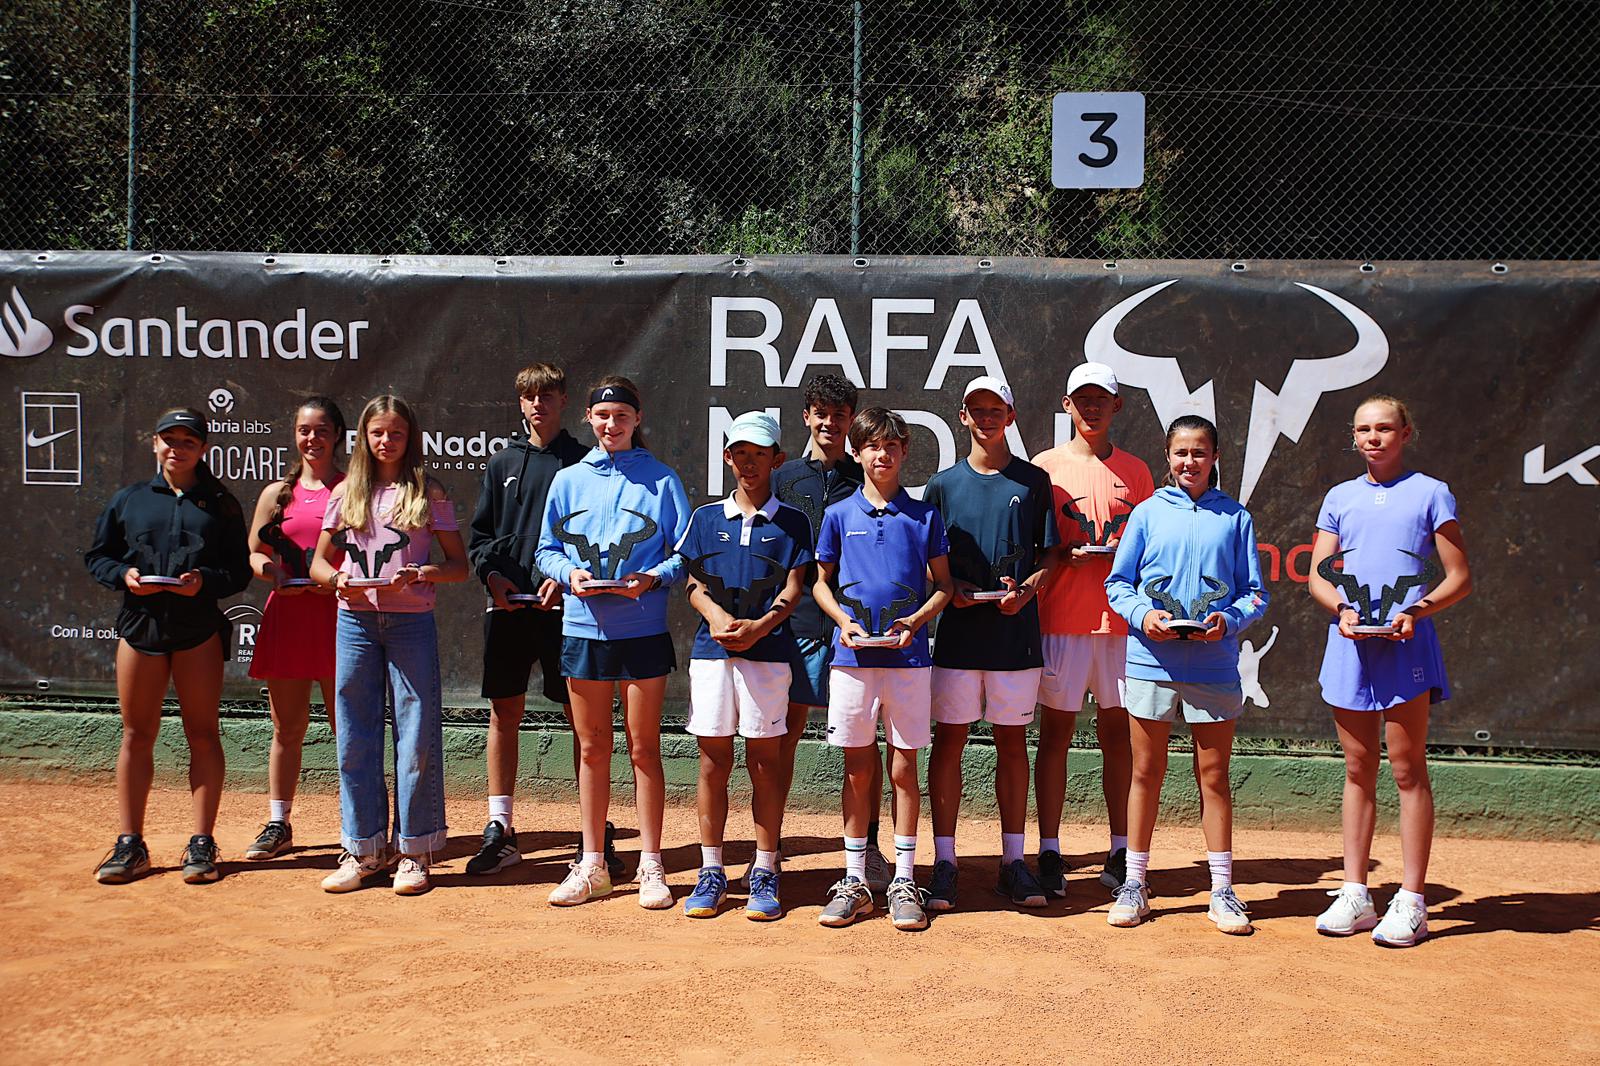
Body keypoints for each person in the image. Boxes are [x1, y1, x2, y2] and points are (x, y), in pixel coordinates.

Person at [1308, 395, 1471, 947]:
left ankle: (1413, 900)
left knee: (1406, 768)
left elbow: (1458, 577)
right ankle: (1355, 893)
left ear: (1405, 432)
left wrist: (1415, 611)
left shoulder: (1431, 493)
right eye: (1363, 430)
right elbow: (1319, 579)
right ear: (1353, 438)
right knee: (1357, 768)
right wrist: (1343, 611)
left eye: (1384, 428)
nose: (1373, 437)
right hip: (1350, 643)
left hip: (1407, 645)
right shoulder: (1339, 497)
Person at [1104, 415, 1267, 935]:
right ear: (1167, 457)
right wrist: (1143, 616)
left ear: (1215, 457)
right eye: (1180, 453)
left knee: (1213, 777)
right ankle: (1134, 883)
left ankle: (1221, 890)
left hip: (1214, 664)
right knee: (1145, 773)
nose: (1189, 462)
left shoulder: (1236, 518)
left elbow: (1255, 594)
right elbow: (1118, 584)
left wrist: (1229, 620)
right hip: (1151, 660)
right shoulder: (1148, 514)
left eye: (1199, 452)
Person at [463, 363, 626, 879]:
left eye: (547, 396)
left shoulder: (584, 462)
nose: (538, 405)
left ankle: (591, 836)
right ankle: (501, 826)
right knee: (503, 713)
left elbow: (596, 534)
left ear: (563, 401)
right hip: (507, 609)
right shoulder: (501, 462)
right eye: (529, 397)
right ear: (520, 403)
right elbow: (481, 539)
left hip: (568, 612)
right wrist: (493, 580)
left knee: (583, 723)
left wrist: (566, 575)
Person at [535, 375, 691, 909]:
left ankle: (651, 864)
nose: (611, 425)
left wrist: (652, 578)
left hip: (642, 630)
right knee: (592, 747)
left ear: (636, 420)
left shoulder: (663, 480)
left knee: (644, 748)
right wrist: (569, 575)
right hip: (582, 629)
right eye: (603, 417)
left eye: (622, 416)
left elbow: (682, 554)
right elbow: (546, 549)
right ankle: (594, 863)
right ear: (589, 418)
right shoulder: (568, 481)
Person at [310, 395, 468, 896]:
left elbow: (458, 566)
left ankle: (415, 851)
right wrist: (336, 580)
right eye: (377, 433)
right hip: (353, 623)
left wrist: (424, 573)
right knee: (355, 736)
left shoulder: (429, 491)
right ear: (363, 437)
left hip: (410, 624)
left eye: (395, 433)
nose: (385, 442)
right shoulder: (346, 493)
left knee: (415, 737)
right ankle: (364, 850)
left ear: (410, 438)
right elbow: (318, 564)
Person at [86, 408, 251, 885]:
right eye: (169, 439)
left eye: (188, 441)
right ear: (153, 443)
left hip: (197, 630)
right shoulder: (129, 500)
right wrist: (124, 575)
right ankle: (130, 844)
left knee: (203, 734)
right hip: (140, 629)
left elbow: (237, 571)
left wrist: (203, 582)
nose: (177, 448)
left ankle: (202, 843)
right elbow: (99, 556)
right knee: (137, 734)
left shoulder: (221, 504)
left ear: (203, 449)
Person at [812, 408, 953, 931]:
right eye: (872, 446)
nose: (883, 455)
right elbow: (820, 582)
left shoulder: (924, 517)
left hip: (909, 660)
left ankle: (903, 879)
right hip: (851, 659)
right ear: (857, 453)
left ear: (904, 453)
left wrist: (915, 621)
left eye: (892, 446)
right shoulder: (837, 515)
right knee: (857, 767)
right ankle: (854, 879)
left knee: (902, 767)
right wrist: (843, 622)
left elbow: (945, 586)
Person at [923, 376, 1059, 911]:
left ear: (1012, 414)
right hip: (958, 637)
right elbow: (931, 565)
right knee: (949, 742)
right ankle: (946, 864)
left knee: (1011, 745)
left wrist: (1026, 592)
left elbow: (1050, 557)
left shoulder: (1033, 482)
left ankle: (1013, 863)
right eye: (977, 410)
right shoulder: (940, 486)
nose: (986, 418)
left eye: (996, 409)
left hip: (1015, 639)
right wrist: (950, 589)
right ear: (962, 416)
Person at [676, 412, 812, 920]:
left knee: (765, 762)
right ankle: (711, 870)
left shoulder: (793, 522)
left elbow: (795, 588)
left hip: (769, 657)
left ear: (777, 459)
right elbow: (693, 585)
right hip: (713, 655)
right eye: (739, 452)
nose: (748, 462)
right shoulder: (706, 518)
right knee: (713, 763)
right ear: (727, 457)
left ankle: (765, 868)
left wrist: (760, 627)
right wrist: (716, 617)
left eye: (759, 454)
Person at [1031, 362, 1155, 896]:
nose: (1091, 407)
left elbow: (1151, 552)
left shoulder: (1140, 471)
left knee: (1119, 739)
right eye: (1082, 399)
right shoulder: (1044, 468)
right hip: (1061, 621)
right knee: (1056, 734)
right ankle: (1051, 849)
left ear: (1117, 405)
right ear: (1066, 405)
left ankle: (1122, 847)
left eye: (1101, 398)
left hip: (1123, 627)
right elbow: (1036, 548)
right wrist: (1064, 555)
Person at [769, 374, 884, 884]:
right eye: (821, 413)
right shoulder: (783, 475)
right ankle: (768, 854)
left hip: (855, 629)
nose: (829, 423)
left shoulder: (867, 476)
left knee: (862, 745)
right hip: (795, 626)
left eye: (839, 415)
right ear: (806, 417)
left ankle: (870, 851)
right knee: (781, 738)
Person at [242, 397, 346, 860]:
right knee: (287, 729)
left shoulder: (352, 489)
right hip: (287, 617)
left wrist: (335, 583)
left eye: (321, 430)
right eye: (304, 429)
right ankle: (279, 823)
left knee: (350, 727)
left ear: (338, 435)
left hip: (341, 618)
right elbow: (255, 554)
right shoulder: (275, 494)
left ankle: (358, 825)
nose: (312, 438)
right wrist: (274, 573)